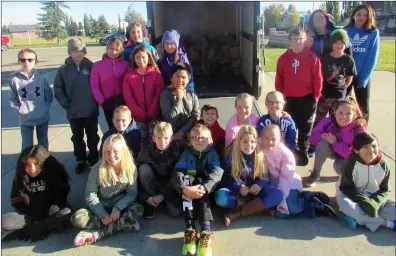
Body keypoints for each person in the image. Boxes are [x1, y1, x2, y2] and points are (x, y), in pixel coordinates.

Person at [71, 134, 144, 247]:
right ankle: (122, 224)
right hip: (100, 206)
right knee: (77, 218)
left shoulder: (131, 168)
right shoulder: (97, 169)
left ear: (123, 151)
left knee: (139, 209)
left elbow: (132, 193)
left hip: (120, 207)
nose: (111, 156)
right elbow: (90, 194)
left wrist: (118, 207)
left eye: (115, 151)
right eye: (107, 151)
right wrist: (102, 214)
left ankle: (97, 234)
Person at [260, 125, 336, 219]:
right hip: (271, 184)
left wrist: (285, 169)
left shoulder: (284, 152)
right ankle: (308, 201)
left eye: (273, 139)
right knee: (280, 214)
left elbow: (289, 170)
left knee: (293, 208)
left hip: (288, 182)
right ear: (261, 138)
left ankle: (310, 200)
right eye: (266, 138)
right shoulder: (259, 150)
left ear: (279, 139)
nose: (270, 142)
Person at [172, 124, 223, 256]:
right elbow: (177, 173)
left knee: (201, 181)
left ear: (210, 140)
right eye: (195, 137)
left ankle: (205, 230)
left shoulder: (212, 154)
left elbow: (217, 172)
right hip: (189, 190)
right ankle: (190, 228)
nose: (199, 140)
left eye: (203, 138)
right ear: (190, 141)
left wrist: (203, 188)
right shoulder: (186, 154)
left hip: (206, 192)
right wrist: (185, 188)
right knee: (187, 180)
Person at [215, 125, 282, 227]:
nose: (249, 145)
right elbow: (225, 178)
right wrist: (239, 187)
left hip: (255, 192)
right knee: (220, 197)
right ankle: (259, 208)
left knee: (278, 194)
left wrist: (259, 184)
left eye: (252, 142)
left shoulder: (260, 154)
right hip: (237, 193)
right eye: (245, 141)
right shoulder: (229, 155)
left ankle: (238, 212)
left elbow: (266, 175)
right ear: (239, 141)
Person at [2, 145, 71, 241]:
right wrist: (31, 211)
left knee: (66, 214)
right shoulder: (21, 177)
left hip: (51, 212)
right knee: (5, 221)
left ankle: (23, 232)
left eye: (36, 164)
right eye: (27, 165)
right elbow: (16, 201)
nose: (32, 169)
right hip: (30, 215)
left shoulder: (54, 171)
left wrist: (57, 204)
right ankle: (40, 227)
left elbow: (63, 191)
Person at [275, 27, 322, 167]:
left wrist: (316, 95)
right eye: (294, 39)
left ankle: (303, 152)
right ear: (289, 41)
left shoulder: (312, 58)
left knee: (305, 127)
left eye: (300, 40)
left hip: (307, 98)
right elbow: (279, 79)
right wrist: (280, 96)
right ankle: (288, 152)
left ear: (305, 41)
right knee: (289, 126)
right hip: (289, 99)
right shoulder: (283, 59)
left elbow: (317, 78)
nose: (297, 43)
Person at [54, 38, 100, 173]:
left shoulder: (92, 67)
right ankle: (80, 158)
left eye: (81, 50)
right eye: (75, 51)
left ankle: (93, 156)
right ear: (70, 53)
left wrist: (98, 100)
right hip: (73, 111)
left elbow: (99, 84)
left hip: (90, 110)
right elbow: (58, 88)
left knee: (92, 134)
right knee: (77, 136)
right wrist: (65, 103)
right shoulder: (64, 70)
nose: (78, 54)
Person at [337, 132, 395, 232]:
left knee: (390, 209)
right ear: (356, 150)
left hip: (374, 196)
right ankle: (388, 224)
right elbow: (346, 187)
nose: (371, 150)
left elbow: (385, 190)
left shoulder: (384, 165)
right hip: (351, 195)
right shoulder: (350, 163)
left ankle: (359, 219)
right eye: (365, 147)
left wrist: (374, 203)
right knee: (348, 207)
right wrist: (365, 203)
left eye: (374, 146)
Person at [304, 97, 367, 187]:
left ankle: (351, 176)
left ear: (355, 115)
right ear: (334, 112)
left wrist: (335, 143)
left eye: (348, 113)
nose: (343, 116)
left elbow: (355, 154)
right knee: (323, 144)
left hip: (352, 158)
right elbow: (312, 137)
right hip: (335, 151)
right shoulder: (328, 121)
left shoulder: (359, 129)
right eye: (340, 112)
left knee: (338, 166)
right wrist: (322, 136)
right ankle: (315, 173)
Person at [9, 48, 53, 151]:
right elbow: (12, 99)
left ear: (36, 61)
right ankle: (27, 165)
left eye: (30, 59)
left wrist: (44, 110)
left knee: (43, 144)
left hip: (42, 118)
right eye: (23, 60)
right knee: (27, 146)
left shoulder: (42, 78)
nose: (26, 62)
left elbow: (49, 97)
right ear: (19, 61)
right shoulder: (15, 80)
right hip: (25, 119)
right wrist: (20, 110)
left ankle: (44, 164)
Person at [137, 122, 183, 219]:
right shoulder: (146, 149)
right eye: (159, 138)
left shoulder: (177, 150)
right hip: (152, 184)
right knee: (143, 169)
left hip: (168, 186)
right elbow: (135, 177)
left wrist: (163, 195)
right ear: (153, 138)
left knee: (175, 212)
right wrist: (146, 197)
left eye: (166, 138)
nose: (162, 142)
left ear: (171, 139)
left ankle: (161, 201)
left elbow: (177, 177)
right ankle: (151, 201)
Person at [314, 29, 357, 128]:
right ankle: (316, 139)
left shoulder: (349, 60)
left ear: (346, 44)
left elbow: (349, 80)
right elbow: (318, 76)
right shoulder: (323, 58)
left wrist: (341, 88)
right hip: (324, 95)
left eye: (342, 43)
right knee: (319, 120)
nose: (339, 45)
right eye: (336, 42)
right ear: (331, 43)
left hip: (339, 97)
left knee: (336, 121)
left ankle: (335, 140)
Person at [344, 4, 380, 122]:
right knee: (345, 105)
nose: (361, 17)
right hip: (346, 76)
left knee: (362, 106)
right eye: (359, 14)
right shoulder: (346, 31)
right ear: (353, 15)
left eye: (365, 15)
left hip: (362, 76)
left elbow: (372, 58)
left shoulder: (372, 32)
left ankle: (362, 132)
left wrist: (364, 79)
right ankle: (344, 131)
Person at [123, 45, 164, 141]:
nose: (141, 60)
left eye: (143, 57)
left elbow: (158, 93)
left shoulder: (156, 73)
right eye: (137, 57)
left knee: (153, 139)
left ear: (149, 58)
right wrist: (138, 111)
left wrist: (152, 110)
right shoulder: (129, 76)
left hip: (154, 114)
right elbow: (128, 97)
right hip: (137, 116)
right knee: (139, 140)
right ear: (133, 59)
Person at [90, 38, 129, 130]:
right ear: (107, 48)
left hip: (123, 101)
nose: (114, 52)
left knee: (124, 126)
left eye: (117, 50)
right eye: (111, 49)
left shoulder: (125, 64)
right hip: (107, 102)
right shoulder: (97, 66)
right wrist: (101, 100)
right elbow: (94, 85)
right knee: (112, 127)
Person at [160, 62, 200, 147]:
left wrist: (183, 131)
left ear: (188, 79)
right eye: (177, 77)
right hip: (171, 135)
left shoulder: (192, 95)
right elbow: (170, 119)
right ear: (171, 78)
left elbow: (196, 116)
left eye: (183, 77)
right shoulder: (165, 94)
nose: (180, 80)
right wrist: (179, 99)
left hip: (189, 133)